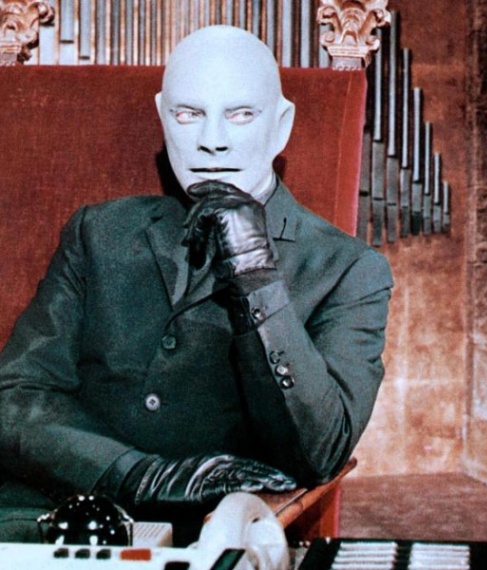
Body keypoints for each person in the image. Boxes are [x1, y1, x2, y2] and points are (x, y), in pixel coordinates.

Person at [0, 25, 393, 544]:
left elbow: (319, 452)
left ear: (281, 127)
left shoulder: (348, 270)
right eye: (189, 114)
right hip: (47, 512)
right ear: (164, 118)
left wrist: (255, 277)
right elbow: (16, 396)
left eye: (241, 114)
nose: (213, 139)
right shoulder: (99, 232)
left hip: (209, 535)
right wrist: (140, 476)